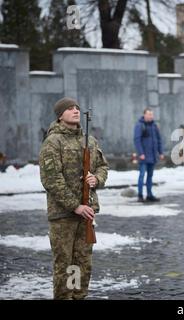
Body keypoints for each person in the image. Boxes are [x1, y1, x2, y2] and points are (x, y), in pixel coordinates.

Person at [39, 97, 108, 299]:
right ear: (60, 116)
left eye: (77, 107)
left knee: (83, 264)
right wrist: (75, 206)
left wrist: (97, 179)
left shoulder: (90, 141)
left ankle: (79, 297)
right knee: (65, 265)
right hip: (63, 216)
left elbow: (103, 166)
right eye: (69, 108)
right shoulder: (52, 142)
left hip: (86, 213)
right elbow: (51, 180)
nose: (75, 110)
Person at [133, 108, 164, 202]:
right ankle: (140, 195)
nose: (151, 116)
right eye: (149, 114)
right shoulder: (139, 125)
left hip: (153, 156)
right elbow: (137, 140)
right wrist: (141, 153)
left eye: (152, 114)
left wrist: (161, 152)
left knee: (150, 176)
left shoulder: (154, 126)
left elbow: (159, 140)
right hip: (144, 156)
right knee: (142, 175)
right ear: (144, 115)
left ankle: (149, 195)